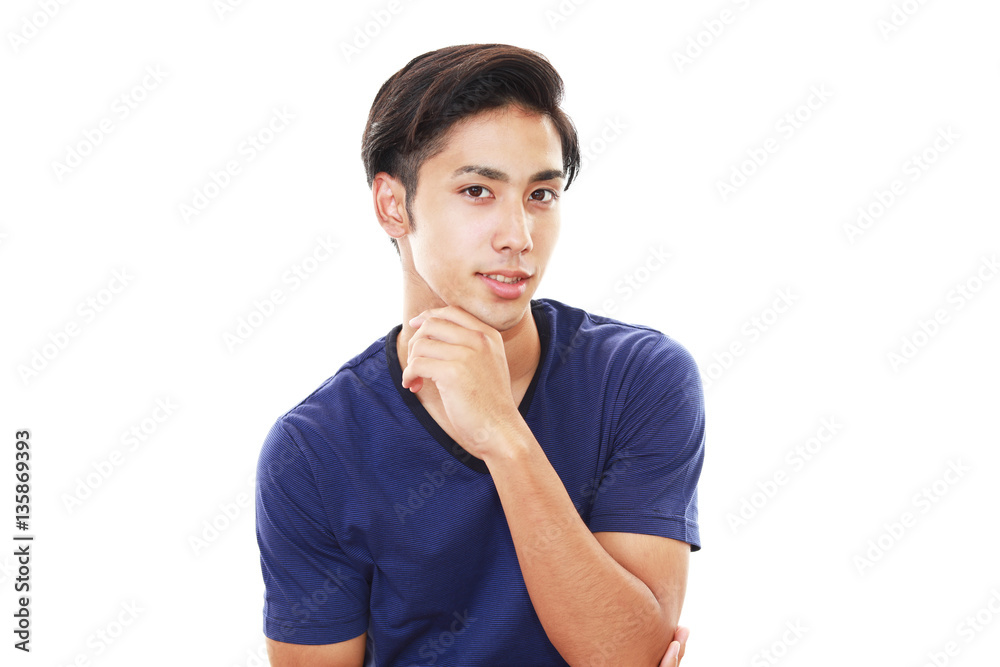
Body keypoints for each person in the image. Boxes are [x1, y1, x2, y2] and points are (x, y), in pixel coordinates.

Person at [255, 43, 705, 666]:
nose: (518, 237)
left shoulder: (638, 379)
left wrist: (505, 438)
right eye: (476, 190)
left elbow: (625, 654)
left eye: (541, 195)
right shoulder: (313, 449)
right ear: (392, 205)